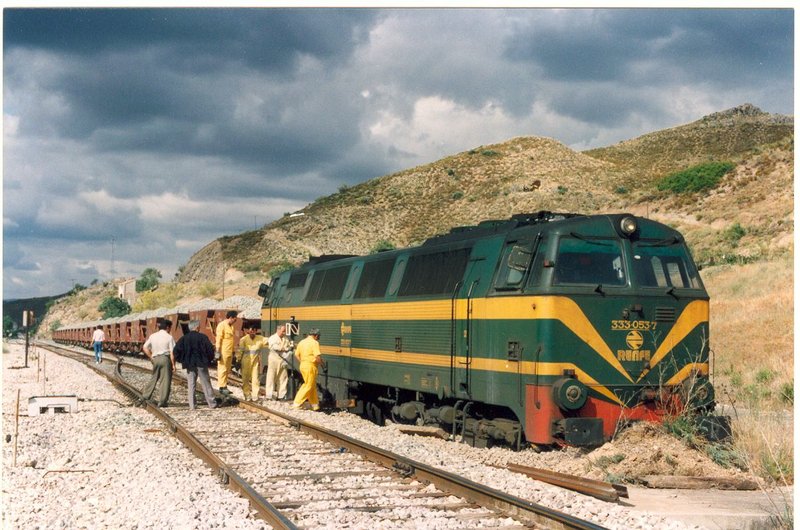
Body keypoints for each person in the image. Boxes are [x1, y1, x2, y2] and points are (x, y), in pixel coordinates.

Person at [173, 320, 217, 410]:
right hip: (201, 363)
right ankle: (212, 404)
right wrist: (208, 360)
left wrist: (182, 360)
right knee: (206, 383)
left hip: (189, 364)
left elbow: (175, 351)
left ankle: (192, 405)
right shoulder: (203, 337)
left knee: (191, 384)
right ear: (197, 327)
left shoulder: (184, 338)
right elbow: (210, 350)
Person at [141, 320, 176, 407]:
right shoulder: (169, 337)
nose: (170, 329)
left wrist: (151, 357)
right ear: (167, 327)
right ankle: (163, 401)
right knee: (165, 380)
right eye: (170, 328)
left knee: (154, 377)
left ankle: (145, 396)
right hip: (165, 359)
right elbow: (172, 353)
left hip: (155, 358)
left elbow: (145, 347)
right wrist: (173, 364)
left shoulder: (153, 336)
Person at [292, 328, 323, 411]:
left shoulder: (302, 342)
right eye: (318, 336)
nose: (318, 338)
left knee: (312, 385)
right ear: (315, 335)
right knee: (308, 385)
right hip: (310, 366)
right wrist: (323, 365)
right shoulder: (314, 343)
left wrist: (302, 361)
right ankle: (297, 403)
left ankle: (315, 404)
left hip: (303, 365)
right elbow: (317, 357)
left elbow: (296, 354)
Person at [237, 324, 268, 401]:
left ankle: (255, 395)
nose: (251, 333)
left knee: (255, 379)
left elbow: (269, 341)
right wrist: (238, 360)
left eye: (253, 331)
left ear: (256, 331)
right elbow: (240, 351)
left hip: (255, 362)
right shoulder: (243, 340)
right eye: (250, 331)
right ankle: (247, 394)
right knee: (245, 379)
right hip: (245, 361)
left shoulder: (260, 339)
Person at [265, 324, 291, 402]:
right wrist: (283, 348)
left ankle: (281, 395)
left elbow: (289, 347)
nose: (284, 333)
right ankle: (269, 395)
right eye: (283, 331)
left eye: (285, 331)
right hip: (274, 359)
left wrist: (284, 349)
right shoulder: (272, 338)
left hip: (283, 360)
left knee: (283, 377)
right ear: (278, 330)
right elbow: (274, 347)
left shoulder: (285, 339)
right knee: (271, 377)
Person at [215, 310, 238, 396]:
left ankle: (224, 386)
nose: (235, 320)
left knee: (227, 370)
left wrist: (233, 352)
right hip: (223, 352)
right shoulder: (222, 325)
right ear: (231, 317)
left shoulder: (231, 327)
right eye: (235, 319)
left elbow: (231, 340)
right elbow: (218, 339)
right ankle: (222, 387)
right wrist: (217, 351)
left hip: (229, 352)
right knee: (222, 369)